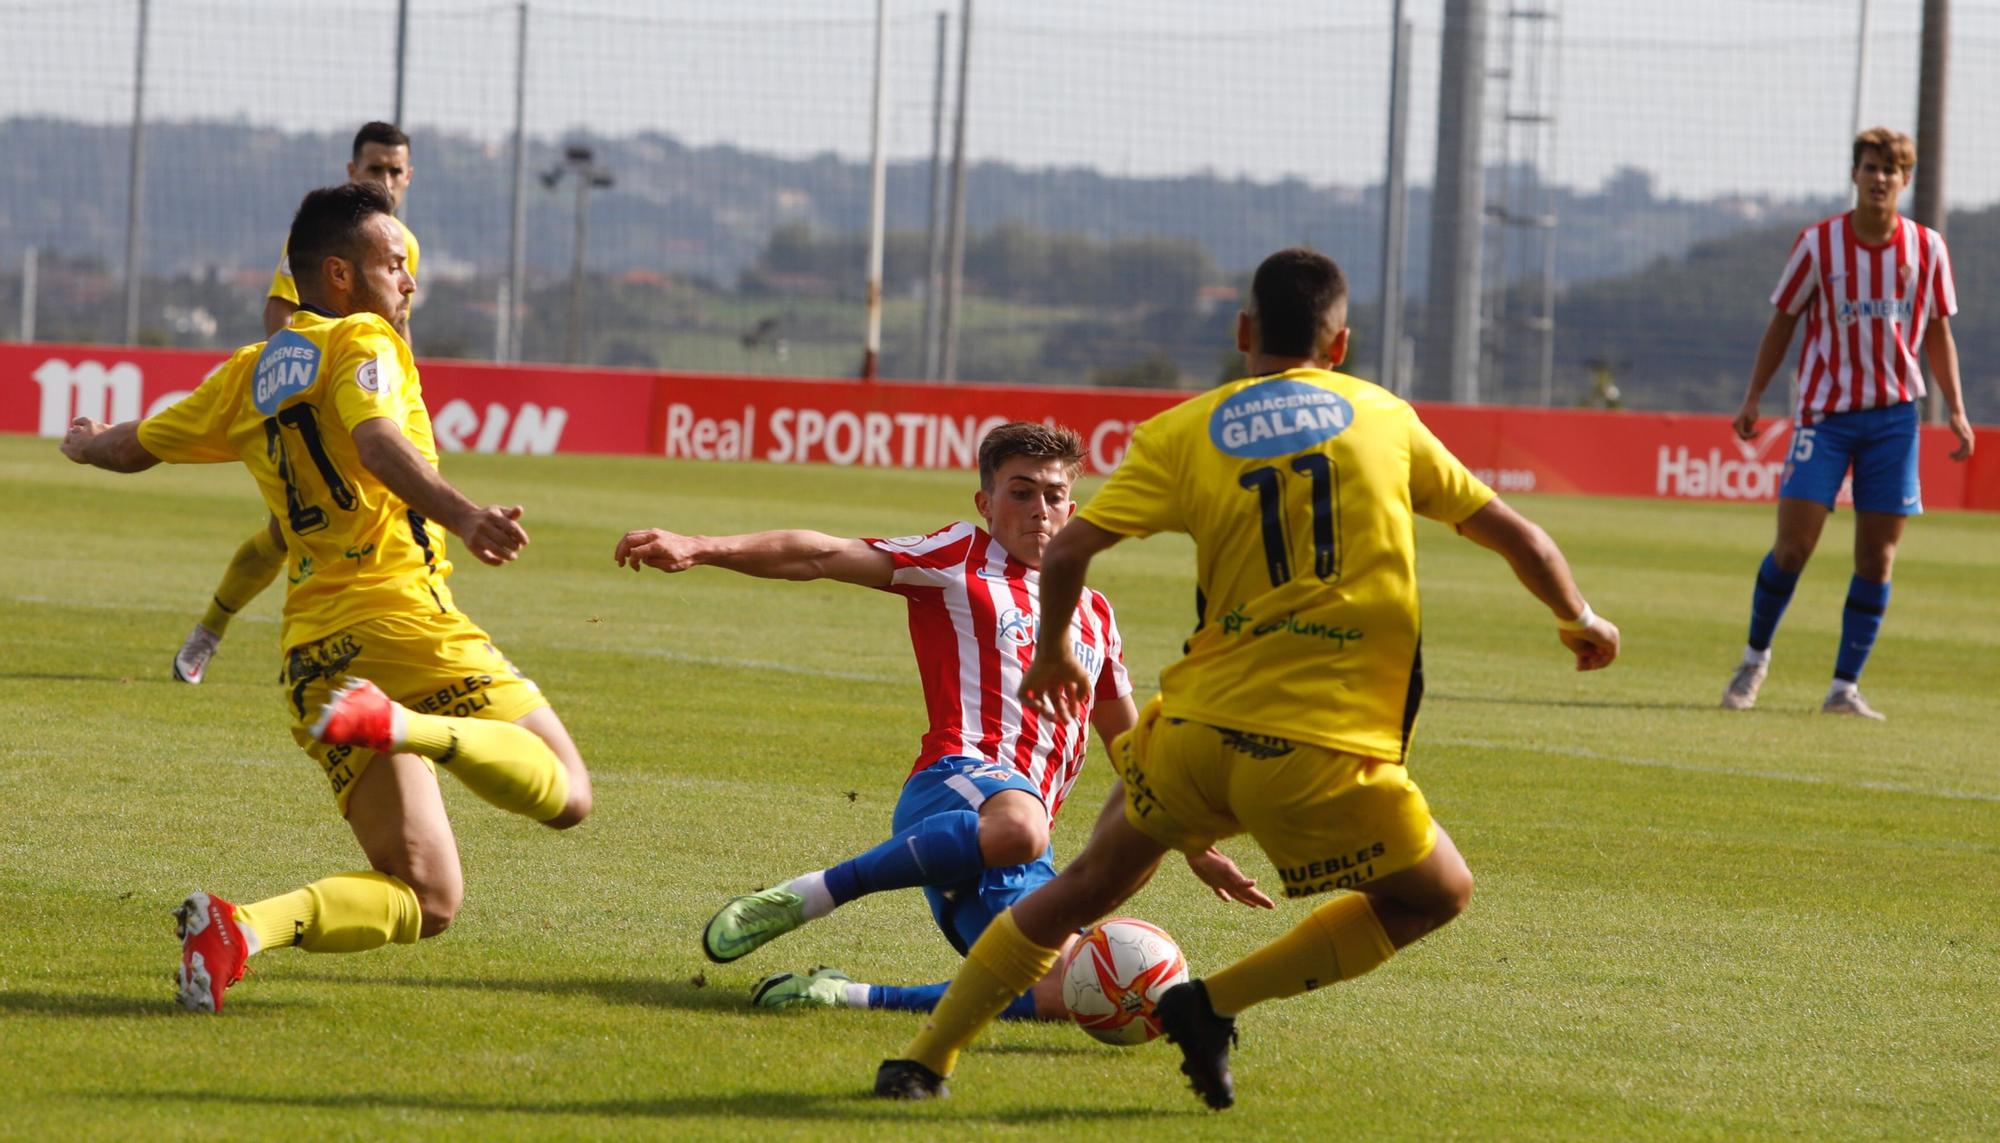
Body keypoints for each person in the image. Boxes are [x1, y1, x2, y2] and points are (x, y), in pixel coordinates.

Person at [869, 247, 1621, 1108]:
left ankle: (924, 1061)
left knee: (1082, 885)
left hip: (1190, 734)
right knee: (1436, 893)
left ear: (1242, 333)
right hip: (1325, 747)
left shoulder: (1185, 429)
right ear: (1340, 345)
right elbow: (1519, 535)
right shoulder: (1383, 416)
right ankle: (1211, 1002)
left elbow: (1071, 547)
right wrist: (1579, 619)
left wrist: (1049, 652)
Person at [61, 182, 591, 1013]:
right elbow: (377, 439)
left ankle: (237, 930)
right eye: (392, 263)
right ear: (339, 274)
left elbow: (135, 448)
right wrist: (464, 514)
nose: (407, 281)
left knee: (427, 894)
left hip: (314, 655)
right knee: (570, 790)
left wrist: (87, 444)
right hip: (402, 616)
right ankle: (403, 723)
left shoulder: (243, 376)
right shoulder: (361, 338)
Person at [613, 423, 1271, 1021]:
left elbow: (1135, 752)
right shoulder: (958, 556)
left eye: (1052, 495)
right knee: (1020, 824)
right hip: (954, 784)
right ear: (986, 504)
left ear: (1072, 509)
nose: (1037, 510)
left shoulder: (1094, 612)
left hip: (1012, 848)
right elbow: (821, 554)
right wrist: (702, 545)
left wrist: (1192, 844)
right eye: (1020, 492)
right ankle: (809, 895)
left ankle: (842, 993)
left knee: (1072, 993)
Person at [1722, 127, 1974, 720]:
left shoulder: (1926, 248)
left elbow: (1938, 329)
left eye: (1891, 169)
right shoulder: (1819, 245)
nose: (1879, 178)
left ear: (1905, 180)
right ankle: (1754, 658)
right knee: (1793, 547)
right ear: (1855, 175)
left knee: (1877, 557)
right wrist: (1754, 396)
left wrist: (1956, 409)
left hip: (1893, 419)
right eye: (1870, 167)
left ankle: (1844, 687)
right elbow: (1783, 320)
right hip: (1825, 416)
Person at [174, 121, 422, 686]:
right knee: (290, 534)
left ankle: (368, 655)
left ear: (409, 176)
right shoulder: (324, 241)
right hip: (313, 404)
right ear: (352, 172)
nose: (386, 178)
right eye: (375, 169)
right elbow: (279, 316)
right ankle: (213, 630)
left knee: (385, 523)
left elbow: (397, 328)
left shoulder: (402, 246)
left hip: (370, 399)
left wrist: (407, 395)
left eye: (395, 170)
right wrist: (310, 371)